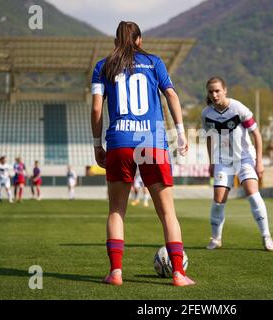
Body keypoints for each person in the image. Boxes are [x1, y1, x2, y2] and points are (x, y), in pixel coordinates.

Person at [91, 21, 194, 286]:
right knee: (168, 213)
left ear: (116, 41)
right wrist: (181, 132)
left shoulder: (103, 66)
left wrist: (96, 144)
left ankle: (115, 273)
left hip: (120, 141)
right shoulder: (155, 62)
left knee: (116, 211)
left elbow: (96, 110)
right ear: (140, 40)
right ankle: (179, 275)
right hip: (152, 141)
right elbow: (171, 95)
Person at [201, 76, 273, 251]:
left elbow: (256, 134)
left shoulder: (238, 108)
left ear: (225, 90)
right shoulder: (206, 113)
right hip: (223, 160)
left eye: (217, 90)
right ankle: (216, 238)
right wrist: (211, 161)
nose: (214, 94)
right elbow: (209, 138)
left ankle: (266, 236)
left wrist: (259, 161)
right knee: (218, 201)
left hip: (244, 159)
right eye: (211, 91)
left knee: (253, 194)